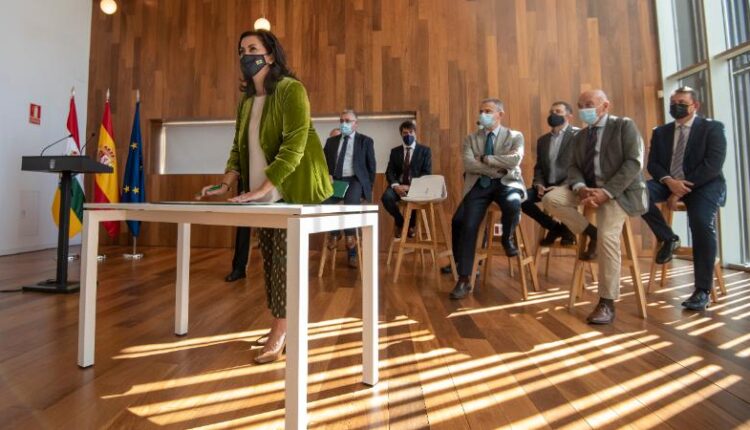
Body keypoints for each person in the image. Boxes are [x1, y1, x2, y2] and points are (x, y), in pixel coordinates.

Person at [198, 30, 332, 363]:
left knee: (284, 261)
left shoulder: (291, 89)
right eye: (242, 50)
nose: (246, 55)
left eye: (253, 48)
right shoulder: (246, 102)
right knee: (270, 260)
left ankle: (280, 330)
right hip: (262, 193)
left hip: (291, 188)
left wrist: (263, 187)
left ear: (270, 55)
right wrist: (226, 183)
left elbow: (295, 144)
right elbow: (237, 147)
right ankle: (285, 324)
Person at [542, 89, 647, 325]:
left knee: (608, 237)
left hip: (618, 192)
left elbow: (634, 163)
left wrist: (606, 192)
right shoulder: (580, 136)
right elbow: (573, 167)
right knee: (551, 200)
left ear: (605, 106)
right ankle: (591, 233)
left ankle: (606, 302)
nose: (584, 110)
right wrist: (580, 188)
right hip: (587, 189)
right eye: (580, 106)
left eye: (589, 104)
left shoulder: (624, 126)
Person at [641, 86, 726, 310]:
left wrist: (679, 190)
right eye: (673, 103)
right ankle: (668, 238)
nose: (675, 107)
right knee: (636, 192)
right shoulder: (661, 132)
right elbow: (653, 164)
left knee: (701, 223)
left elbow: (713, 165)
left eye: (681, 103)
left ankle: (702, 290)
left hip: (704, 185)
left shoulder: (713, 128)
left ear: (695, 105)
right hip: (669, 182)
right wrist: (670, 182)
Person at [449, 98, 526, 300]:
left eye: (488, 111)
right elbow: (469, 164)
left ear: (500, 114)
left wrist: (485, 159)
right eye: (481, 111)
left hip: (506, 182)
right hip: (479, 184)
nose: (483, 114)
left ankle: (507, 238)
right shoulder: (470, 139)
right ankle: (464, 279)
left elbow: (515, 160)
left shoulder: (515, 136)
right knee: (468, 224)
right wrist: (497, 167)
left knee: (513, 204)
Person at [323, 110, 376, 268]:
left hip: (355, 180)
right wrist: (327, 175)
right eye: (341, 120)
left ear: (355, 124)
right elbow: (324, 164)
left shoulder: (365, 141)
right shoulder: (331, 142)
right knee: (324, 203)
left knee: (350, 203)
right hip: (336, 180)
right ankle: (334, 231)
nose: (344, 123)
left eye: (347, 120)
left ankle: (350, 236)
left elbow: (371, 167)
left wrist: (367, 189)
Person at [522, 101, 579, 245]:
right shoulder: (543, 140)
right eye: (551, 112)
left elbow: (580, 167)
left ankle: (568, 230)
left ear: (569, 116)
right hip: (546, 187)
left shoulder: (578, 136)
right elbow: (539, 167)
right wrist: (539, 184)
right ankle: (555, 228)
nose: (553, 114)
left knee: (559, 199)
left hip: (568, 186)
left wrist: (563, 186)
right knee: (519, 198)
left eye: (558, 111)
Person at [381, 120, 432, 238]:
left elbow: (426, 173)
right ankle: (401, 223)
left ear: (415, 133)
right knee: (386, 197)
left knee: (413, 199)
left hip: (416, 186)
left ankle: (411, 225)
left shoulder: (425, 151)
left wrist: (410, 186)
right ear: (401, 134)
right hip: (398, 186)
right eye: (405, 133)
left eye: (411, 132)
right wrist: (396, 186)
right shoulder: (395, 151)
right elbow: (390, 172)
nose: (408, 135)